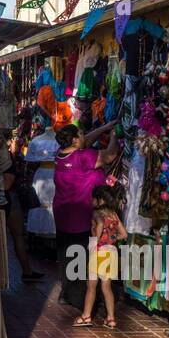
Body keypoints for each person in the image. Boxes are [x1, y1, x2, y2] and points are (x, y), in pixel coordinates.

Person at [53, 121, 120, 311]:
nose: (84, 137)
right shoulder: (83, 158)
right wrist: (113, 136)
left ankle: (67, 294)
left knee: (67, 255)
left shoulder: (60, 154)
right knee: (82, 257)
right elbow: (110, 155)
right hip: (80, 216)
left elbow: (85, 141)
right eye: (81, 134)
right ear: (74, 140)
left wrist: (104, 127)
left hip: (63, 214)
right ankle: (80, 299)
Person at [74, 184, 127, 329]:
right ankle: (111, 318)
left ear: (100, 200)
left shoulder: (97, 213)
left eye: (93, 198)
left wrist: (94, 244)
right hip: (112, 251)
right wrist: (111, 239)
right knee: (106, 286)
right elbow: (124, 234)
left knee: (91, 286)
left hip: (99, 251)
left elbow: (99, 226)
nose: (91, 201)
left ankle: (86, 316)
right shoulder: (113, 214)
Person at [3, 147, 44, 283]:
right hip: (8, 198)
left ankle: (27, 270)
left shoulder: (3, 156)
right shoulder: (5, 157)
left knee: (17, 235)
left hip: (7, 198)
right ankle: (26, 271)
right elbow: (8, 183)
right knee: (17, 235)